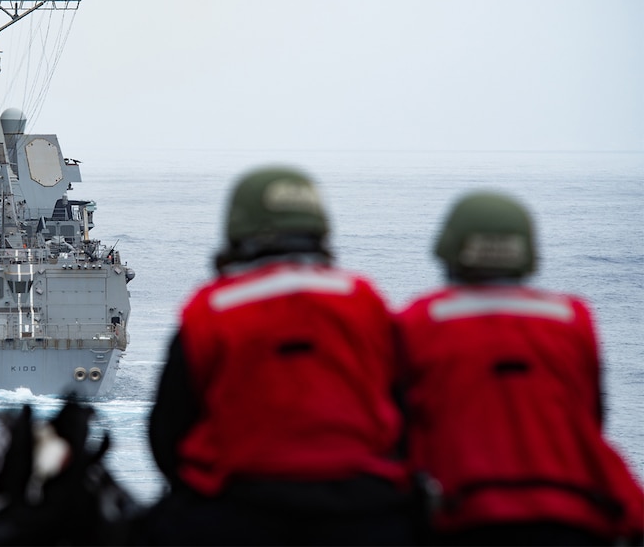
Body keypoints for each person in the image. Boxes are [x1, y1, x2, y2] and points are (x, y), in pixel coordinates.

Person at [143, 166, 414, 545]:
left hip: (238, 509)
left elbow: (167, 433)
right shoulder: (365, 299)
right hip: (361, 510)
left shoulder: (212, 309)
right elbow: (404, 412)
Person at [395, 191, 644, 545]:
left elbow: (402, 425)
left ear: (450, 249)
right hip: (571, 514)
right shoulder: (573, 319)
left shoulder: (419, 321)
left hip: (463, 514)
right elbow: (592, 416)